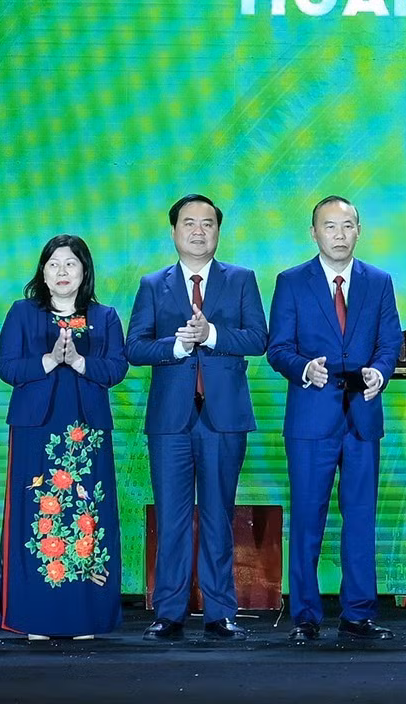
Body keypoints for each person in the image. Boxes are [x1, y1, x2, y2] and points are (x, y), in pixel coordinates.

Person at [128, 194, 268, 641]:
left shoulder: (241, 280)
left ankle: (219, 612)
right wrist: (177, 346)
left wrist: (213, 334)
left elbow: (258, 338)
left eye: (207, 223)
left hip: (223, 419)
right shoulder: (153, 284)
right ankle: (168, 612)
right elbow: (134, 347)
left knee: (217, 515)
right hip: (171, 420)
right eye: (189, 223)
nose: (198, 231)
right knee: (170, 516)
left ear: (218, 232)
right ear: (173, 232)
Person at [267, 195, 402, 642]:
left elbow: (390, 342)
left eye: (347, 227)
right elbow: (278, 348)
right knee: (308, 518)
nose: (339, 235)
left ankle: (359, 613)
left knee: (361, 517)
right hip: (311, 417)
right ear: (314, 233)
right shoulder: (291, 282)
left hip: (363, 415)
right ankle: (305, 616)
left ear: (359, 230)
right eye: (330, 227)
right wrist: (304, 368)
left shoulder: (379, 281)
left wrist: (380, 373)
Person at [0, 235, 128, 639]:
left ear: (85, 271)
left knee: (86, 518)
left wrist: (80, 362)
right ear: (42, 272)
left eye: (71, 264)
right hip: (36, 430)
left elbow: (117, 368)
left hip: (86, 433)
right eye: (53, 264)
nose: (62, 272)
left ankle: (85, 616)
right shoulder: (23, 313)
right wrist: (49, 360)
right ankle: (36, 618)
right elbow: (6, 367)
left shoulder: (105, 316)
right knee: (37, 517)